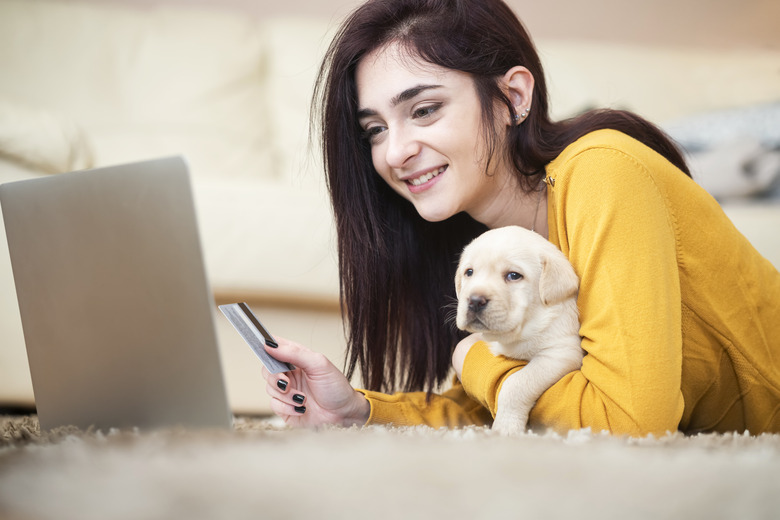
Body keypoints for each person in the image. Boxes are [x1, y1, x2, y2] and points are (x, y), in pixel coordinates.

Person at [260, 0, 780, 436]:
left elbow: (626, 424)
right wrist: (361, 410)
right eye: (375, 129)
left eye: (423, 110)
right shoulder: (489, 243)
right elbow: (499, 408)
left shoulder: (602, 170)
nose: (394, 152)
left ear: (513, 97)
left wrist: (473, 358)